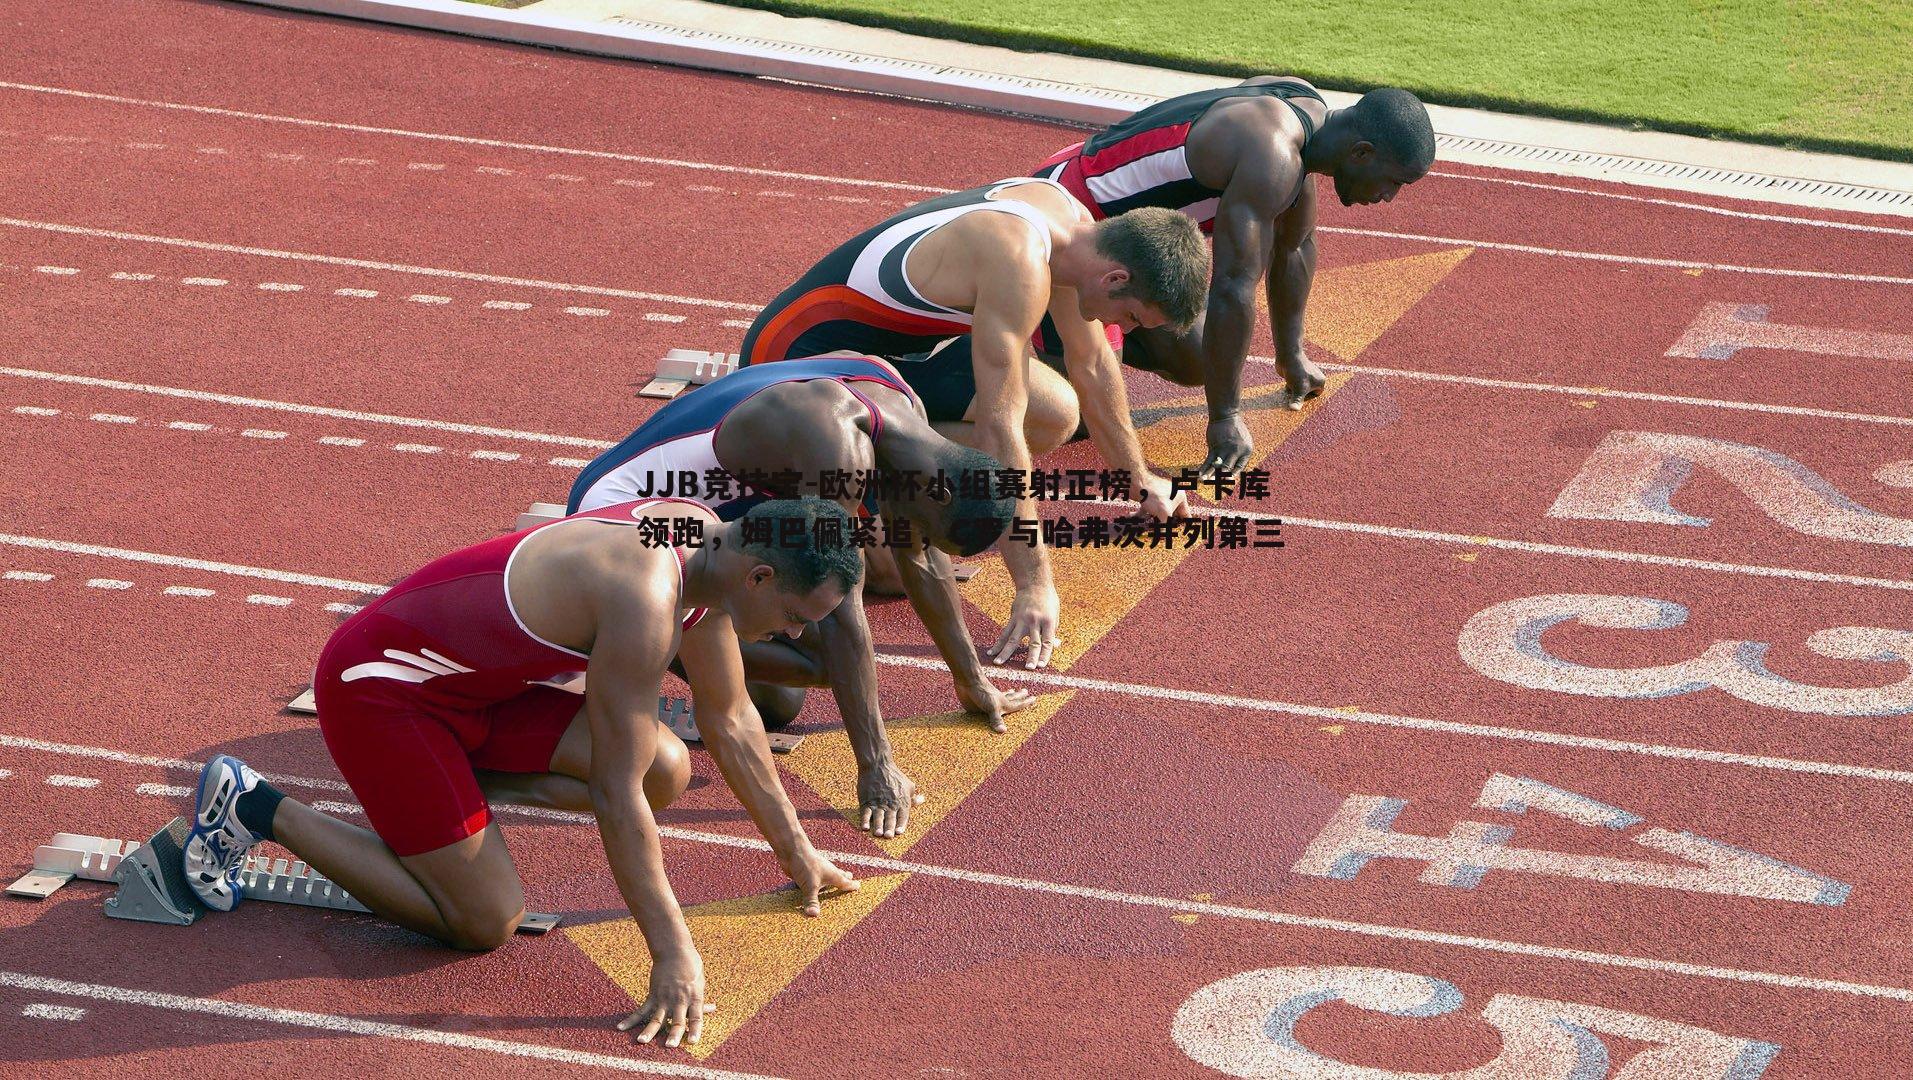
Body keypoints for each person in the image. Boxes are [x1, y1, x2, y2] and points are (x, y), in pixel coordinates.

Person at [183, 497, 864, 1050]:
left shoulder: (704, 541)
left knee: (667, 767)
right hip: (382, 691)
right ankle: (255, 806)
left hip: (474, 695)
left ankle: (434, 807)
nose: (797, 636)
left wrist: (798, 853)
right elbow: (613, 793)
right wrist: (672, 953)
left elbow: (734, 718)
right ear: (760, 578)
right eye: (799, 619)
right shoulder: (646, 597)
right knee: (485, 919)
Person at [739, 176, 1209, 666]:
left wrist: (1137, 478)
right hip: (793, 359)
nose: (1125, 331)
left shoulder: (1078, 233)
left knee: (1055, 413)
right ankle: (862, 462)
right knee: (890, 567)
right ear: (1115, 279)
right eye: (1131, 317)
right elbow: (998, 429)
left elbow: (1091, 363)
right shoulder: (1019, 260)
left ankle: (887, 456)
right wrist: (1034, 584)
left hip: (889, 354)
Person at [566, 351, 1034, 838]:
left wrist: (972, 681)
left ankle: (680, 642)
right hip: (621, 518)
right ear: (937, 494)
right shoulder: (837, 457)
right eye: (929, 530)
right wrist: (876, 766)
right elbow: (839, 612)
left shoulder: (904, 415)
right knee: (824, 662)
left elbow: (918, 557)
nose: (917, 540)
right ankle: (644, 642)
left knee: (787, 696)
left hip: (704, 511)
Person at [1033, 81, 1436, 474]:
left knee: (1197, 356)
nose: (1389, 196)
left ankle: (1080, 338)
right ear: (1361, 152)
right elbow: (1232, 286)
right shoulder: (1271, 155)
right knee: (1078, 414)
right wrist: (1225, 416)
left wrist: (1291, 355)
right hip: (1070, 224)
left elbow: (1295, 244)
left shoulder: (1306, 116)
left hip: (1116, 239)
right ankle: (1010, 333)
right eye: (1394, 182)